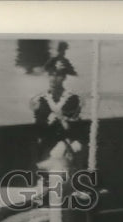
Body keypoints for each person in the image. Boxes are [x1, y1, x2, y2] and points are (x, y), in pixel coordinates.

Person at [30, 43, 84, 172]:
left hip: (65, 149)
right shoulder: (41, 99)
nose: (53, 79)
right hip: (45, 149)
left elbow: (75, 127)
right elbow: (38, 127)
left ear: (64, 77)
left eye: (58, 75)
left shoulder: (72, 99)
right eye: (51, 75)